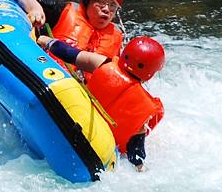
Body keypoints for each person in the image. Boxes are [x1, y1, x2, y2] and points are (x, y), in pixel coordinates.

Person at [36, 33, 165, 172]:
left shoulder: (104, 63)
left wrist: (46, 41)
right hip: (98, 149)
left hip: (69, 118)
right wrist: (140, 168)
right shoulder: (147, 108)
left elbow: (70, 54)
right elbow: (136, 150)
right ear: (151, 73)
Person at [12, 0, 124, 60]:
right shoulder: (64, 12)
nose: (106, 9)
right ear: (87, 2)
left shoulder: (117, 36)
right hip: (49, 73)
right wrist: (34, 8)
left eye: (112, 6)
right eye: (100, 2)